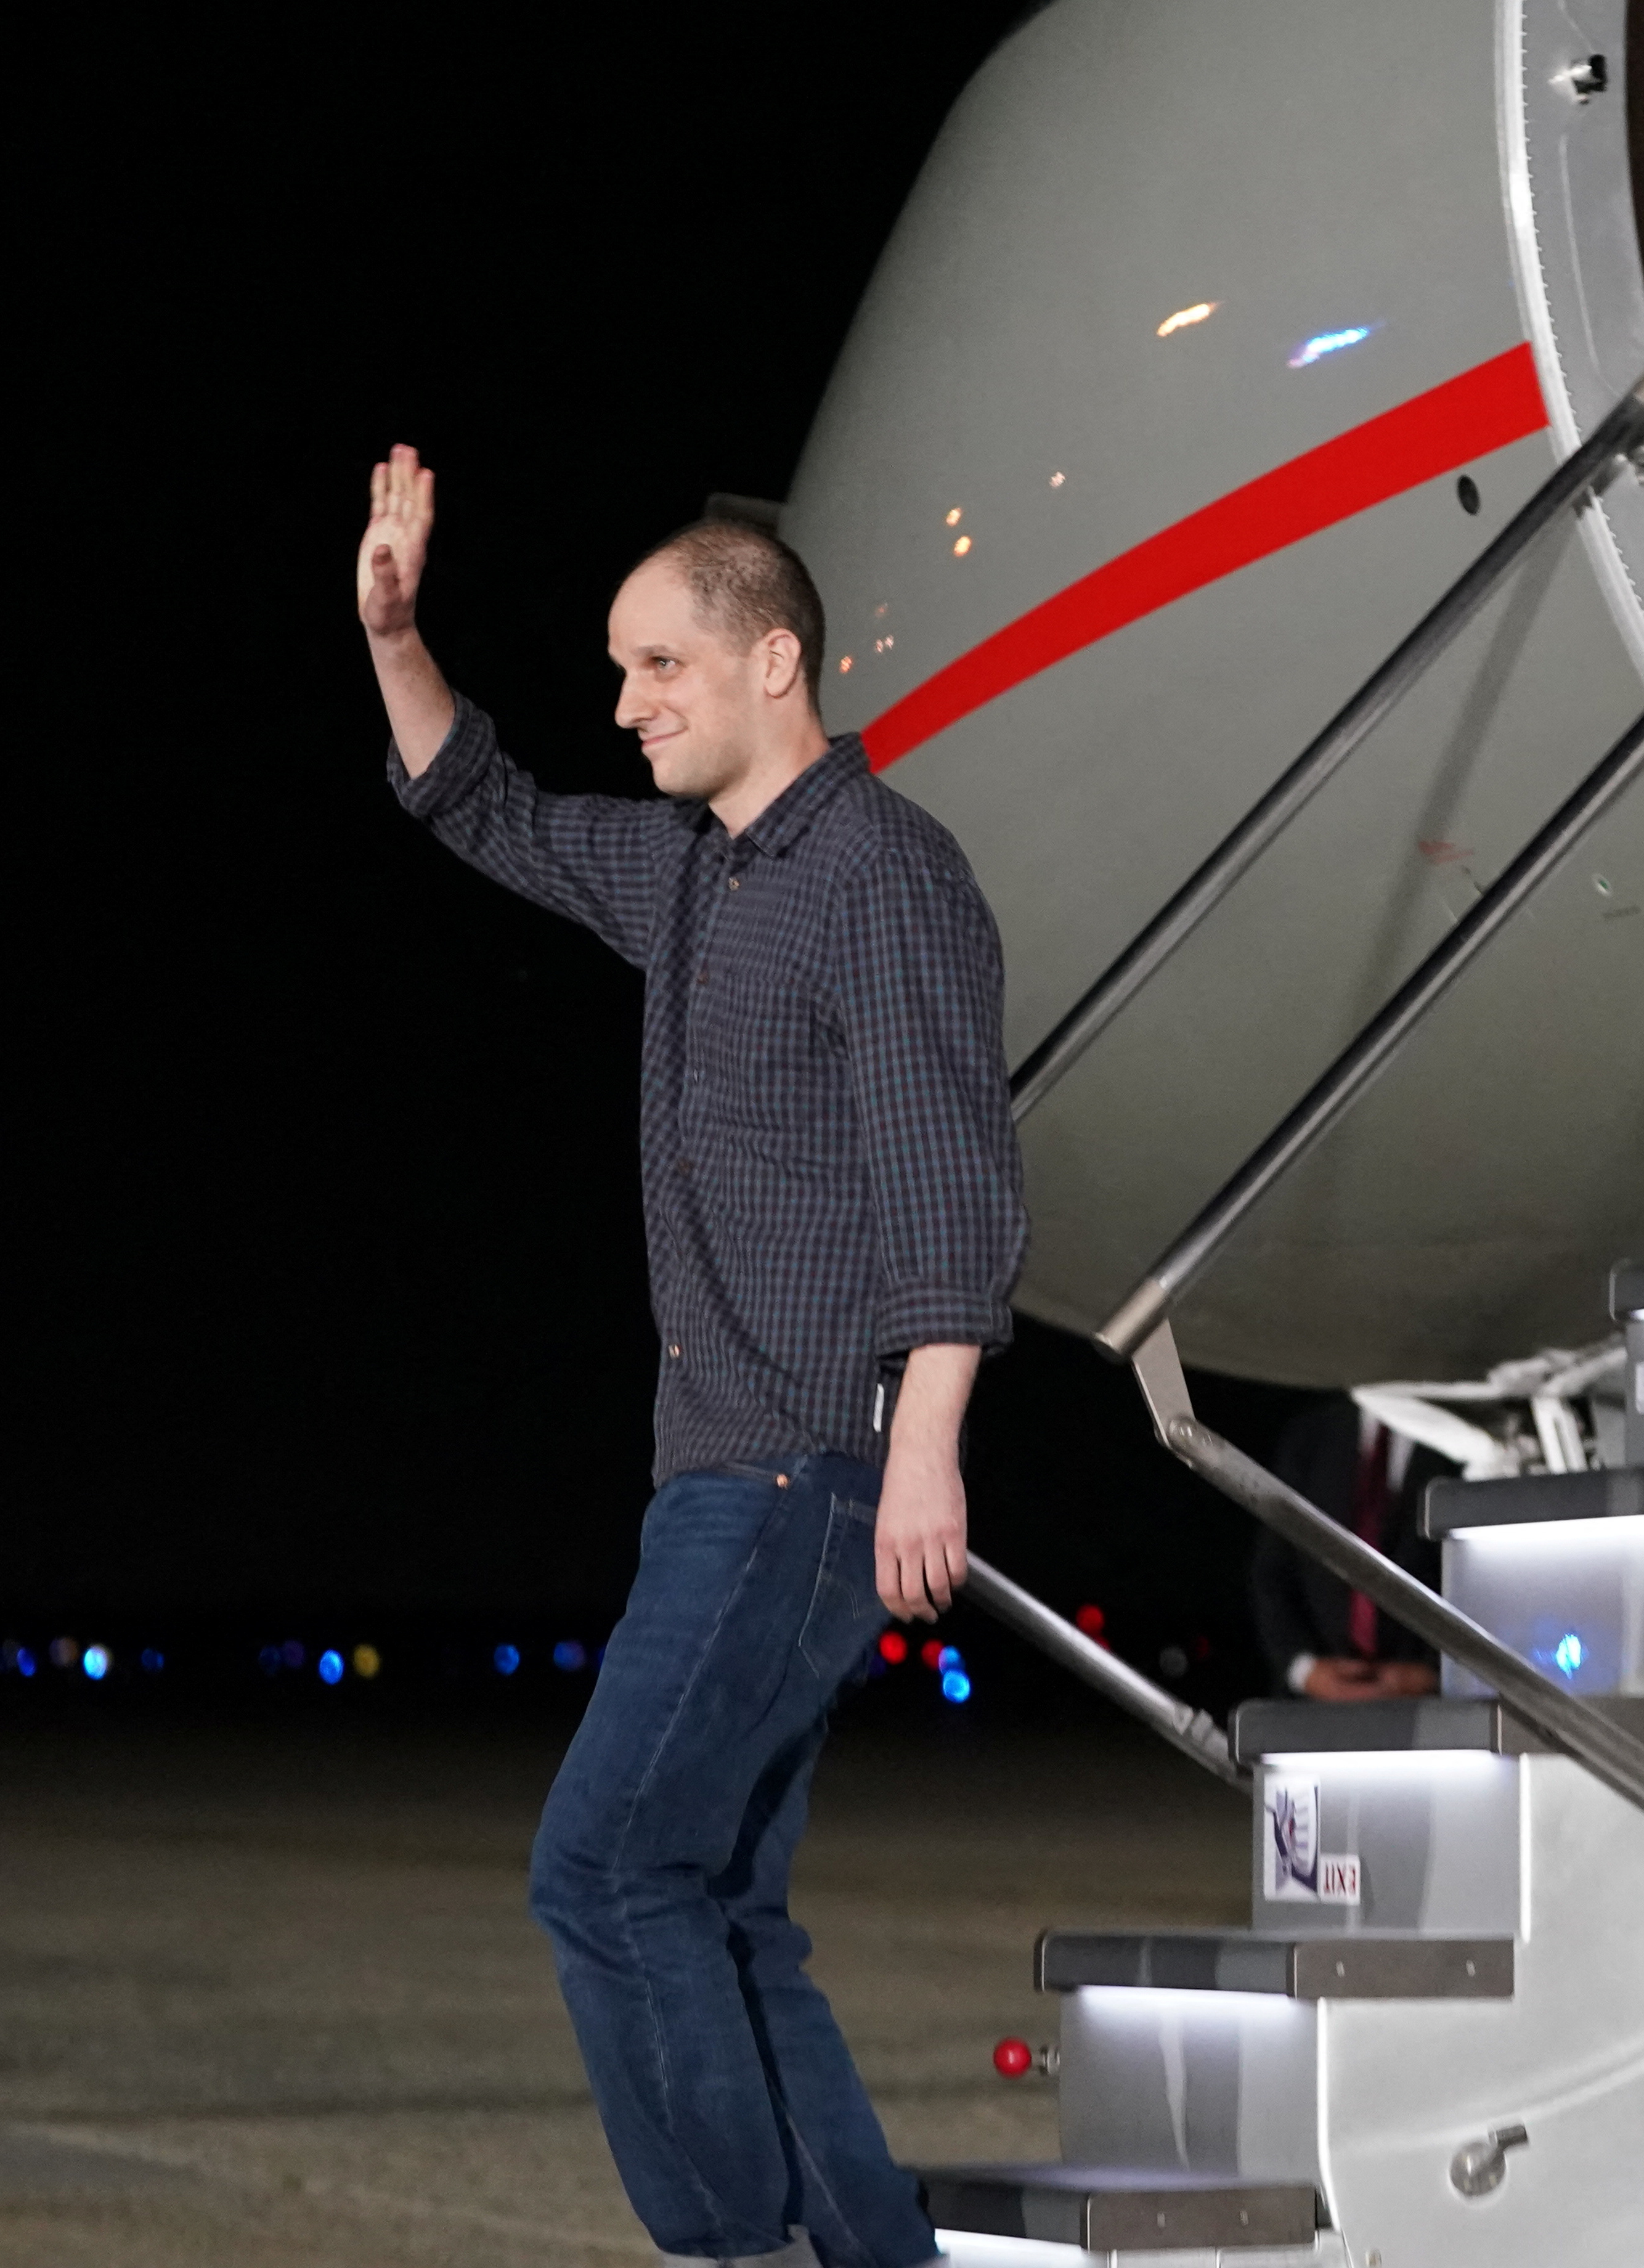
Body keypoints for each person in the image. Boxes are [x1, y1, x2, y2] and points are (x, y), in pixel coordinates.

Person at [354, 446, 1022, 2268]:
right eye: (617, 666)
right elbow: (474, 803)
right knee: (722, 1902)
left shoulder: (881, 876)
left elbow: (946, 1173)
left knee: (604, 1868)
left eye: (658, 664)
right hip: (715, 1471)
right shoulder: (682, 875)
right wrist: (396, 630)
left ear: (772, 666)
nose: (624, 701)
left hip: (804, 1467)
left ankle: (733, 2241)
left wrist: (927, 1444)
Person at [1249, 1395, 1455, 1700]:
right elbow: (1272, 1568)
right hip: (1315, 1702)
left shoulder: (1462, 1439)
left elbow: (1484, 1575)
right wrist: (1305, 1669)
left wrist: (1439, 1671)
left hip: (1435, 1703)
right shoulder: (1310, 1435)